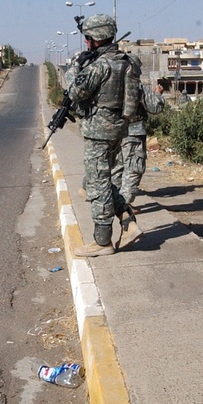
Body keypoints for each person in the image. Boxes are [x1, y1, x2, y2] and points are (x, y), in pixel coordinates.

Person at [65, 13, 143, 257]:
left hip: (98, 131)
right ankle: (128, 223)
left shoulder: (100, 66)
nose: (86, 42)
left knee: (97, 185)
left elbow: (75, 91)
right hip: (119, 129)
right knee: (101, 179)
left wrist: (76, 66)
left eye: (88, 38)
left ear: (94, 39)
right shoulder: (127, 61)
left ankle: (102, 242)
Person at [112, 69, 165, 206]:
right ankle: (123, 207)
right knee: (133, 169)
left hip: (113, 132)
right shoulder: (136, 86)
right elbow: (155, 107)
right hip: (133, 133)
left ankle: (115, 201)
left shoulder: (111, 84)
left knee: (118, 168)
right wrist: (158, 94)